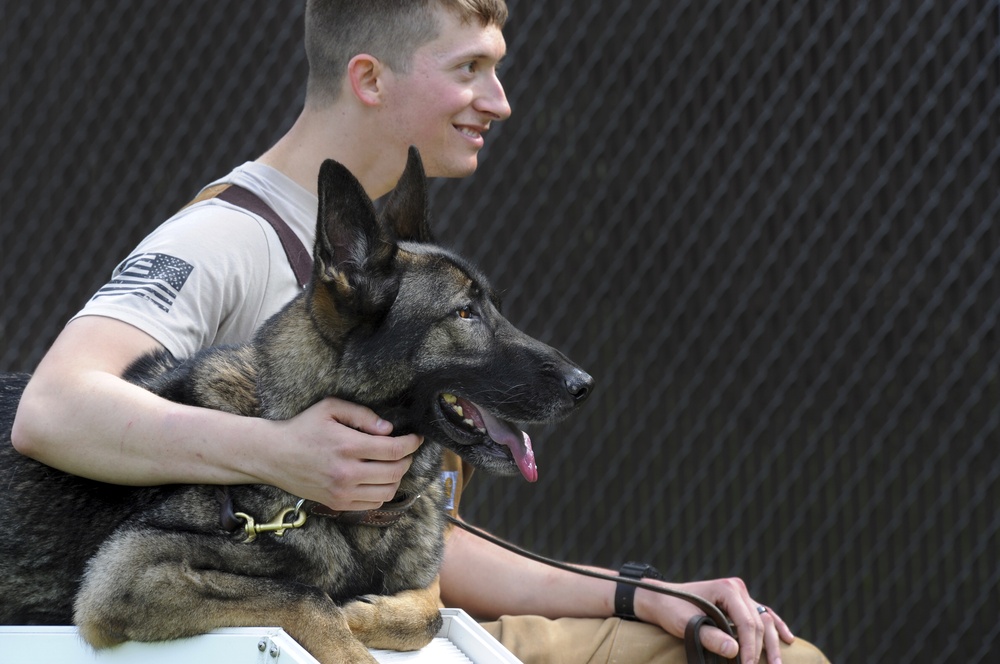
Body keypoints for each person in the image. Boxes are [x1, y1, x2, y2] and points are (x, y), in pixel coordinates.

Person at [11, 2, 828, 663]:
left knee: (769, 656)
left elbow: (413, 541)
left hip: (407, 615)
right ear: (369, 77)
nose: (501, 101)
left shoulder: (400, 256)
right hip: (259, 627)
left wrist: (640, 592)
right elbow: (51, 411)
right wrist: (281, 453)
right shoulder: (225, 239)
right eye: (471, 69)